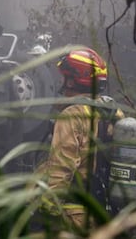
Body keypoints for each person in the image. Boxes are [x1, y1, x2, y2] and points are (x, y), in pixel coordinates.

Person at [33, 47, 123, 232]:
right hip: (104, 214)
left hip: (74, 214)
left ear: (74, 80)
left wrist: (49, 209)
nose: (63, 83)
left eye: (66, 77)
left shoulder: (72, 115)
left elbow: (61, 167)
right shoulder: (114, 113)